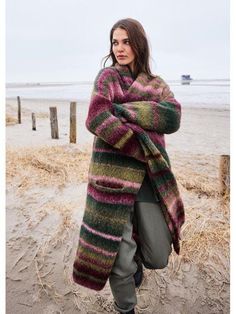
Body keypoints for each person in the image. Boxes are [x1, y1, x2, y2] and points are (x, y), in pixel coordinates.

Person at [73, 18, 185, 314]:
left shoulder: (156, 83)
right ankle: (126, 307)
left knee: (159, 254)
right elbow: (97, 118)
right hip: (111, 180)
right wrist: (141, 145)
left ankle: (136, 264)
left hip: (149, 178)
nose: (120, 48)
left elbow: (172, 116)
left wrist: (122, 111)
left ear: (139, 43)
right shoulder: (107, 77)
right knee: (118, 261)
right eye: (115, 42)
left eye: (126, 41)